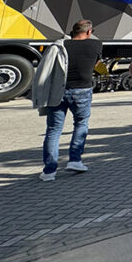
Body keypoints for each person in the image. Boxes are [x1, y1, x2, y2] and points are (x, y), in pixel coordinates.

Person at [39, 20, 102, 181]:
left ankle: (49, 171)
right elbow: (96, 64)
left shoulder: (60, 45)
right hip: (83, 90)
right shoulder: (96, 45)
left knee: (53, 130)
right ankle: (75, 160)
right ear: (89, 32)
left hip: (59, 91)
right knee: (81, 124)